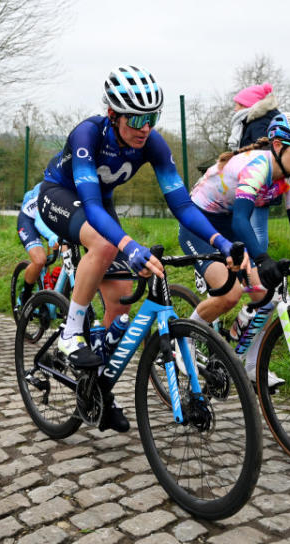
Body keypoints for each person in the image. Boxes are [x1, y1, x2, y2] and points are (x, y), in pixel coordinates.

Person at [38, 65, 248, 433]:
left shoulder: (153, 143)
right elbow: (91, 206)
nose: (144, 127)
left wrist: (222, 243)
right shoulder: (87, 134)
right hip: (62, 196)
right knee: (105, 245)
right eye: (135, 118)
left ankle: (96, 388)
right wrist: (129, 245)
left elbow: (183, 206)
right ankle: (71, 333)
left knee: (120, 304)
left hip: (99, 206)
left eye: (151, 117)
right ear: (113, 115)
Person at [181, 113, 290, 383]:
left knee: (265, 293)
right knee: (230, 294)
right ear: (278, 146)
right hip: (199, 222)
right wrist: (261, 258)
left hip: (228, 224)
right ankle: (184, 341)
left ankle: (252, 366)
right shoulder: (257, 165)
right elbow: (241, 220)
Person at [227, 82, 284, 253]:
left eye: (238, 104)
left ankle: (258, 264)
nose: (235, 108)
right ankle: (254, 262)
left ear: (249, 105)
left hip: (260, 181)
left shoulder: (260, 122)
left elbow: (261, 153)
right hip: (257, 180)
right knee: (252, 225)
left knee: (257, 227)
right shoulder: (258, 120)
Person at [16, 181, 61, 307]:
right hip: (30, 220)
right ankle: (25, 296)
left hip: (50, 218)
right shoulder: (48, 189)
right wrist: (52, 236)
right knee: (40, 260)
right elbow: (39, 223)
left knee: (70, 255)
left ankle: (60, 292)